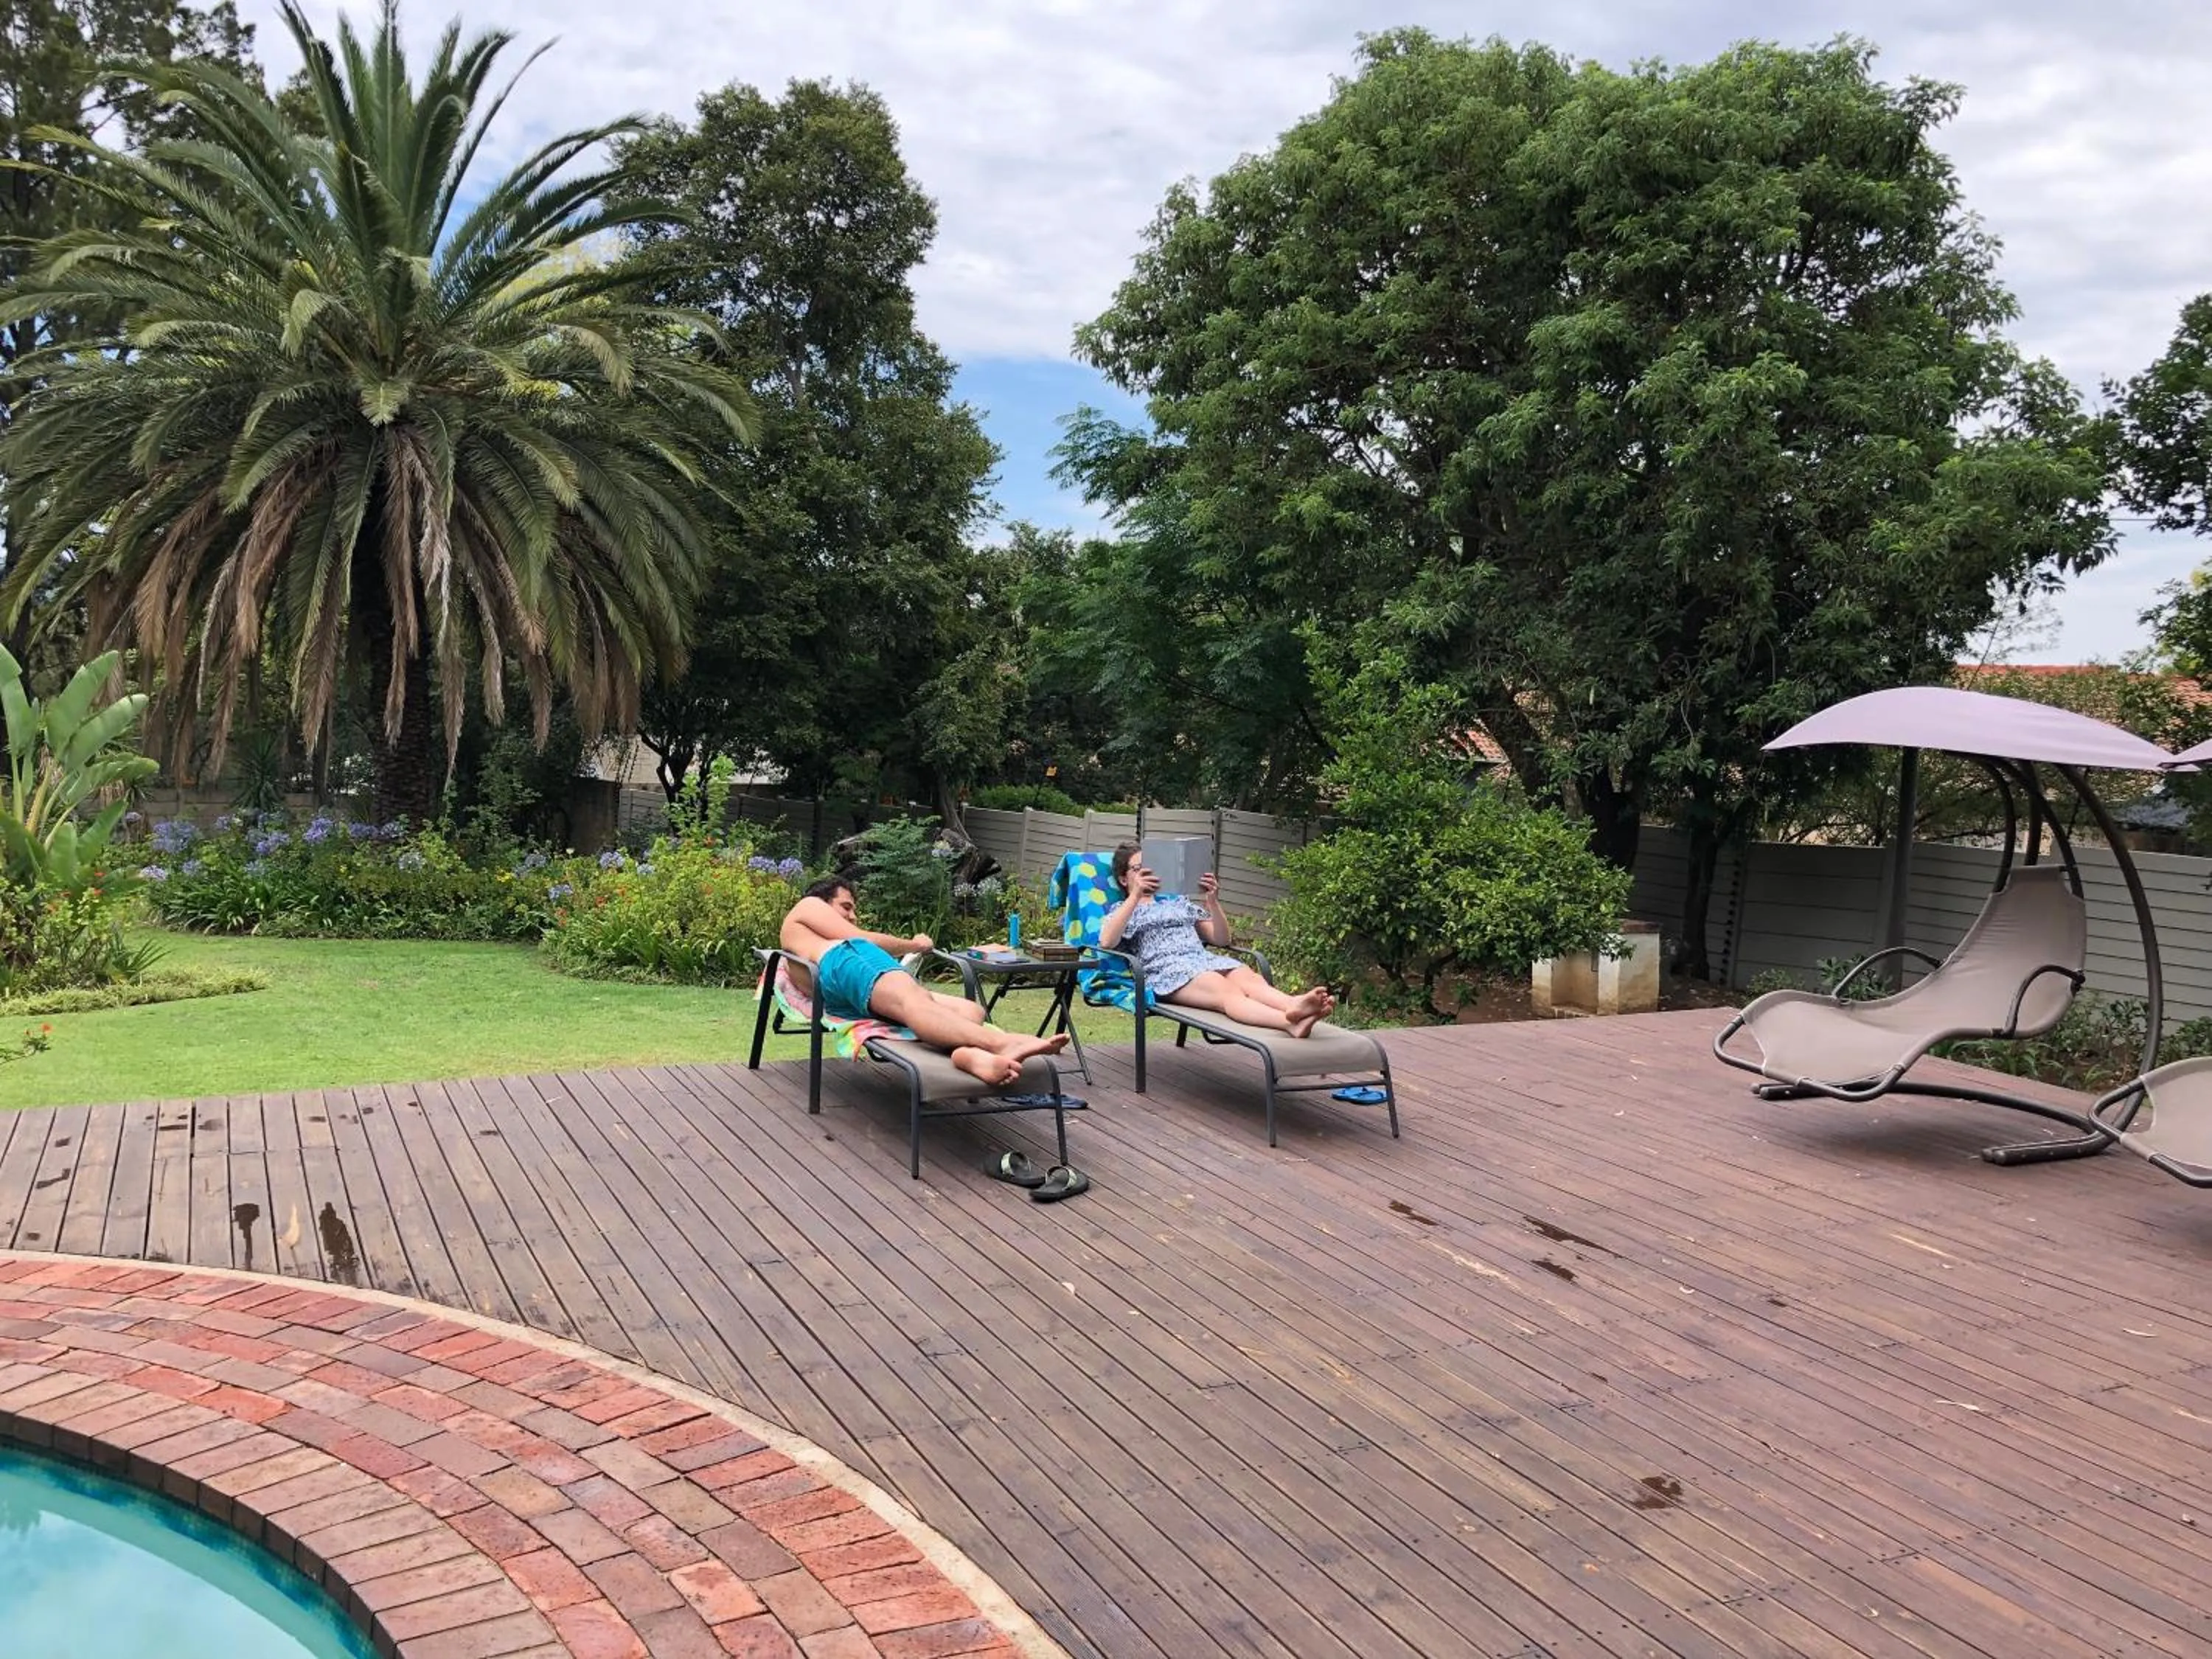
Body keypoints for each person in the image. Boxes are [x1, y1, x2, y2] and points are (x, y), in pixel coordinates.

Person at [779, 877, 1068, 1086]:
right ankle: (1001, 1042)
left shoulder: (802, 941)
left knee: (970, 1012)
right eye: (846, 907)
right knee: (912, 1002)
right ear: (822, 902)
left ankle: (969, 1056)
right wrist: (915, 944)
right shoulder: (810, 906)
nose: (853, 916)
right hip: (846, 961)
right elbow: (860, 940)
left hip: (845, 996)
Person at [1099, 843, 1335, 1037]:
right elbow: (1107, 942)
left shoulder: (1178, 903)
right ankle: (1288, 1023)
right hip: (1168, 972)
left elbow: (1221, 939)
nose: (1146, 874)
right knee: (1223, 988)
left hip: (1203, 960)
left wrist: (1212, 901)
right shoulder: (1123, 910)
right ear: (1123, 879)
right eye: (1138, 869)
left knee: (1248, 976)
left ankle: (1293, 1005)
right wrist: (1136, 896)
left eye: (1149, 868)